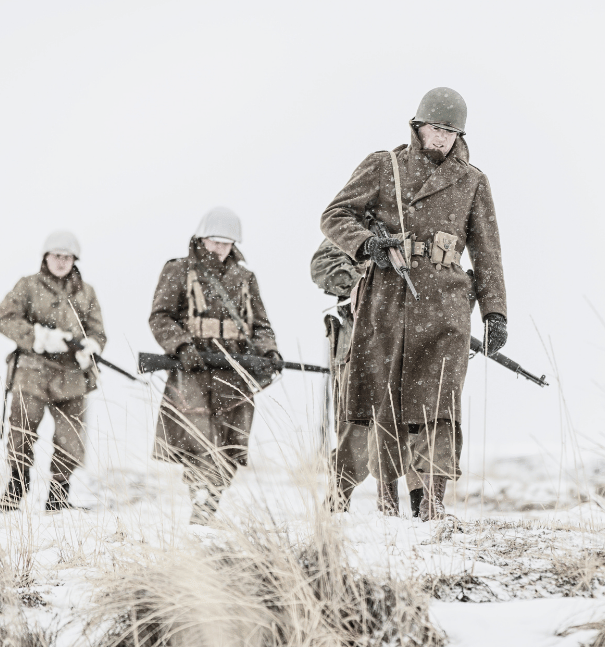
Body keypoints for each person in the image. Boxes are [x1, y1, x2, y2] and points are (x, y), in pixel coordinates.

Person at [320, 87, 508, 520]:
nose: (441, 138)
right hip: (383, 302)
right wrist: (370, 245)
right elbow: (334, 216)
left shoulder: (473, 181)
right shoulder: (384, 166)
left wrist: (494, 311)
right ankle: (340, 494)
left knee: (437, 404)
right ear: (417, 126)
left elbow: (487, 253)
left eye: (450, 131)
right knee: (365, 402)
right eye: (434, 128)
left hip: (444, 308)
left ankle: (430, 504)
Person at [148, 207, 282, 525]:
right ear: (201, 237)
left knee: (231, 445)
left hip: (234, 374)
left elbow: (260, 325)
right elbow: (160, 317)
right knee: (198, 441)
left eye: (226, 243)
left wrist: (269, 352)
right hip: (193, 371)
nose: (219, 248)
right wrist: (181, 345)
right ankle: (201, 503)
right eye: (214, 241)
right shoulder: (178, 270)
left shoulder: (245, 278)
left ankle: (208, 502)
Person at [0, 230, 106, 512]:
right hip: (32, 372)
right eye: (56, 256)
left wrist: (90, 347)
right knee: (21, 432)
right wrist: (39, 337)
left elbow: (98, 333)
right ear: (46, 257)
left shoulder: (86, 292)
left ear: (74, 260)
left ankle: (58, 494)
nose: (61, 261)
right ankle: (16, 486)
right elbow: (2, 318)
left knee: (71, 439)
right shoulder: (27, 286)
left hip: (72, 377)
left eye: (67, 257)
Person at [310, 238, 424, 515]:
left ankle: (421, 506)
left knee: (415, 426)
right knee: (355, 429)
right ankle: (338, 505)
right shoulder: (359, 222)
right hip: (357, 342)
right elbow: (322, 265)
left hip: (407, 342)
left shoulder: (420, 224)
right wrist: (364, 286)